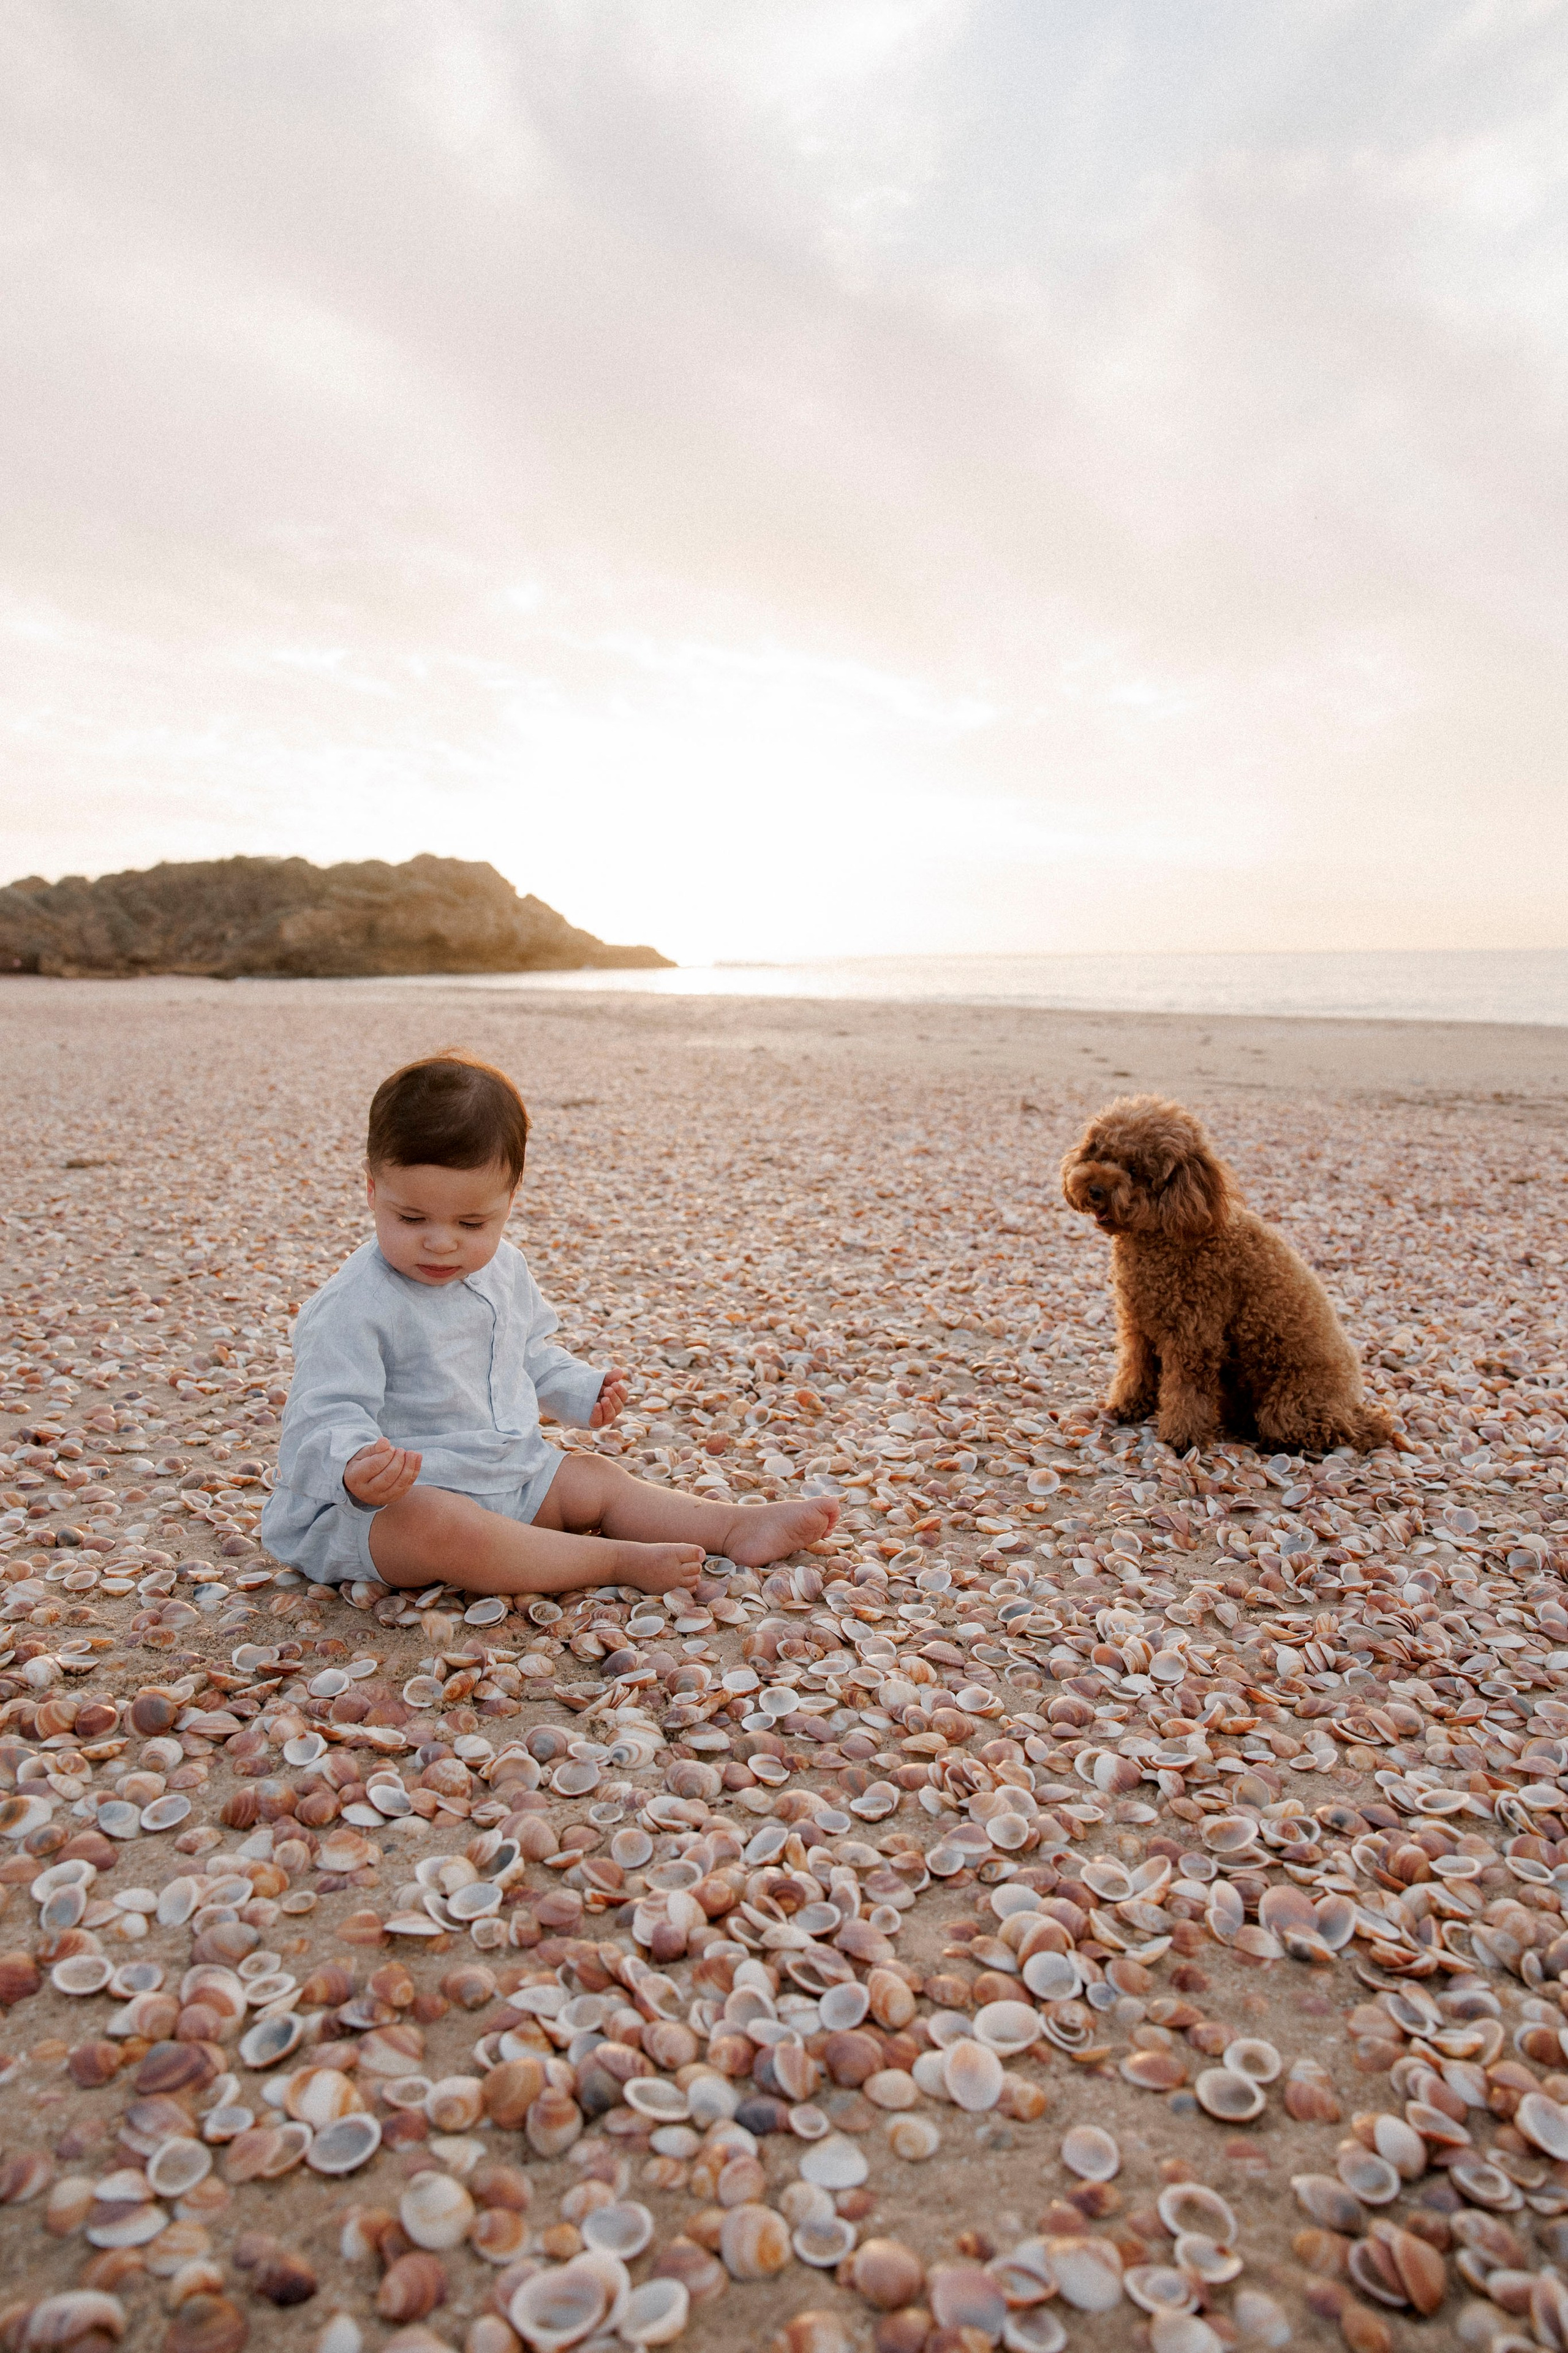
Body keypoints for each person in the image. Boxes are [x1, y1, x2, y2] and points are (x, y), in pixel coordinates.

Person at [260, 1049, 839, 1601]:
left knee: (594, 1478)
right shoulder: (354, 1304)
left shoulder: (504, 1269)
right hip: (379, 1510)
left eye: (471, 1221)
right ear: (372, 1190)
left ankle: (734, 1526)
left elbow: (529, 1352)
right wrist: (355, 1467)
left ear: (510, 1199)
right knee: (440, 1525)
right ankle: (612, 1562)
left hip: (503, 1475)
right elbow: (323, 1413)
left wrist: (578, 1391)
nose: (440, 1241)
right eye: (411, 1217)